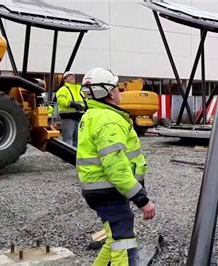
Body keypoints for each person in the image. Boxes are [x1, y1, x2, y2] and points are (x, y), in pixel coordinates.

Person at [76, 67, 155, 265]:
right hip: (109, 191)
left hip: (99, 190)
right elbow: (115, 166)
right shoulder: (109, 120)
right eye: (117, 88)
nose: (119, 91)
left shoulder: (92, 115)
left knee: (114, 238)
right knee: (124, 244)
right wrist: (142, 199)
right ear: (111, 92)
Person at [55, 71, 85, 147]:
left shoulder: (79, 89)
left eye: (73, 76)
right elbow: (61, 101)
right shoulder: (62, 89)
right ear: (65, 79)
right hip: (68, 117)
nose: (72, 77)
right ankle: (66, 158)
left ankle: (74, 157)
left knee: (78, 139)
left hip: (79, 116)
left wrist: (86, 106)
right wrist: (73, 104)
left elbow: (85, 99)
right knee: (67, 139)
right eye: (69, 76)